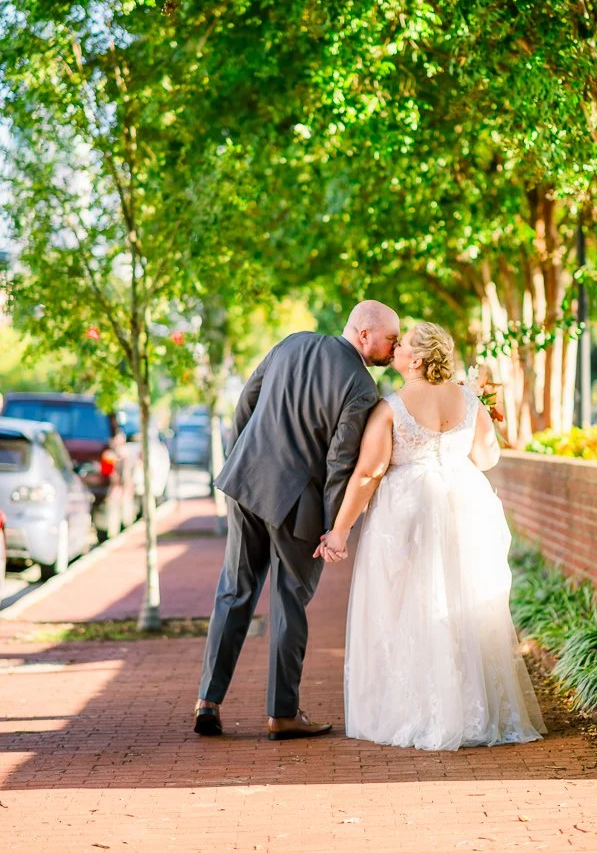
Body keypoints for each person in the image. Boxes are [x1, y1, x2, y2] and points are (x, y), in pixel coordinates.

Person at [316, 322, 546, 750]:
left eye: (401, 345)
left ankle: (420, 711)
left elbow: (368, 473)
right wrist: (483, 411)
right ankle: (472, 711)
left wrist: (339, 531)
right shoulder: (469, 399)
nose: (395, 349)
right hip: (465, 505)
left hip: (409, 515)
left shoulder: (390, 408)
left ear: (417, 360)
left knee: (409, 608)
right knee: (460, 603)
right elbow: (486, 458)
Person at [194, 300, 400, 740]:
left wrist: (241, 458)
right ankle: (282, 713)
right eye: (391, 338)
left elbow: (245, 404)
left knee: (234, 591)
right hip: (297, 504)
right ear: (364, 334)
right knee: (289, 604)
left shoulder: (292, 344)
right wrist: (333, 529)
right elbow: (341, 462)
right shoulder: (362, 386)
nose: (394, 346)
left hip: (246, 482)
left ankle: (208, 701)